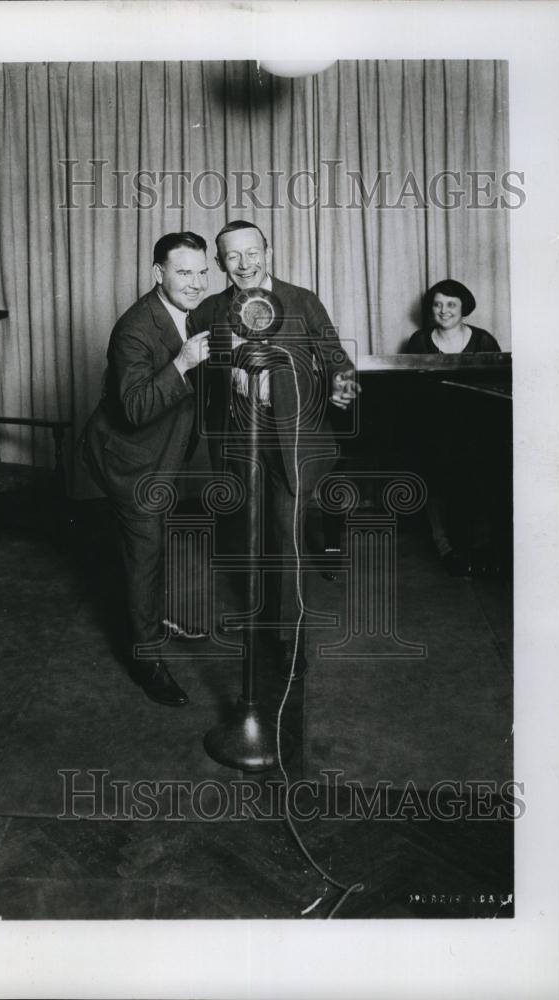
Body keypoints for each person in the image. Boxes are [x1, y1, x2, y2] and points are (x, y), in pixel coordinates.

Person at [191, 221, 358, 680]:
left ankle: (287, 642)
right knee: (251, 533)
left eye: (252, 253)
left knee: (285, 537)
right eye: (232, 257)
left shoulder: (303, 300)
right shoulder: (209, 310)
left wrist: (345, 386)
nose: (244, 265)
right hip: (240, 437)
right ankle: (263, 617)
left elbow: (336, 357)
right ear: (220, 263)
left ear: (269, 251)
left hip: (294, 439)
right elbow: (192, 366)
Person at [78, 232, 211, 707]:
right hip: (128, 459)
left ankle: (154, 619)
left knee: (154, 549)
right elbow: (133, 407)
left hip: (163, 454)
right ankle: (146, 659)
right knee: (145, 555)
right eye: (183, 272)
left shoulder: (190, 311)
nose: (195, 283)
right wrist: (183, 362)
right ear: (158, 274)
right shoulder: (135, 328)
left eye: (201, 272)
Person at [403, 278, 502, 576]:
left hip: (478, 428)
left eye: (451, 304)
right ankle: (445, 548)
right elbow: (411, 393)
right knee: (437, 485)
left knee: (481, 482)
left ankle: (482, 549)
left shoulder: (483, 339)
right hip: (434, 429)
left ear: (463, 308)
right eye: (437, 304)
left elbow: (498, 387)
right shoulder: (419, 341)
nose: (443, 310)